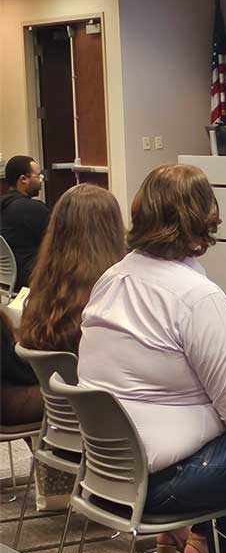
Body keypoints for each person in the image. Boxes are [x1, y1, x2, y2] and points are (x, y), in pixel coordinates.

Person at [78, 164, 226, 553]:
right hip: (165, 481)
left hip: (107, 473)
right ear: (205, 218)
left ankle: (215, 550)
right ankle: (215, 548)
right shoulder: (197, 297)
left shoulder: (111, 280)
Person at [16, 184, 125, 509]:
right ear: (111, 230)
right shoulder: (112, 297)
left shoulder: (41, 289)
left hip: (60, 428)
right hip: (108, 432)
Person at [1, 155, 50, 291]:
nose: (41, 181)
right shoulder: (31, 208)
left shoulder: (4, 205)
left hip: (8, 279)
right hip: (32, 277)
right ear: (23, 179)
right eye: (38, 176)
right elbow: (59, 241)